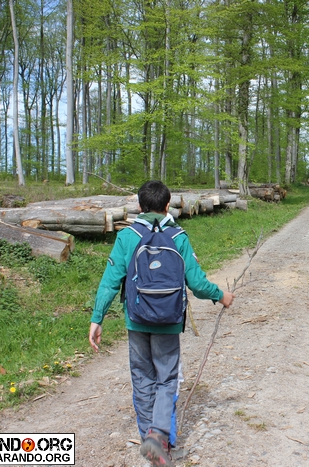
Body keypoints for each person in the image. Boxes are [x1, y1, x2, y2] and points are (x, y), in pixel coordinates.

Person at [89, 180, 234, 467]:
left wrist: (97, 318)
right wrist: (221, 296)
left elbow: (110, 281)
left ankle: (149, 439)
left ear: (139, 206)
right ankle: (159, 436)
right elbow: (196, 283)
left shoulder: (127, 236)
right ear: (168, 206)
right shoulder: (178, 236)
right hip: (168, 321)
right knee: (167, 379)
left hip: (137, 320)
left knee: (142, 378)